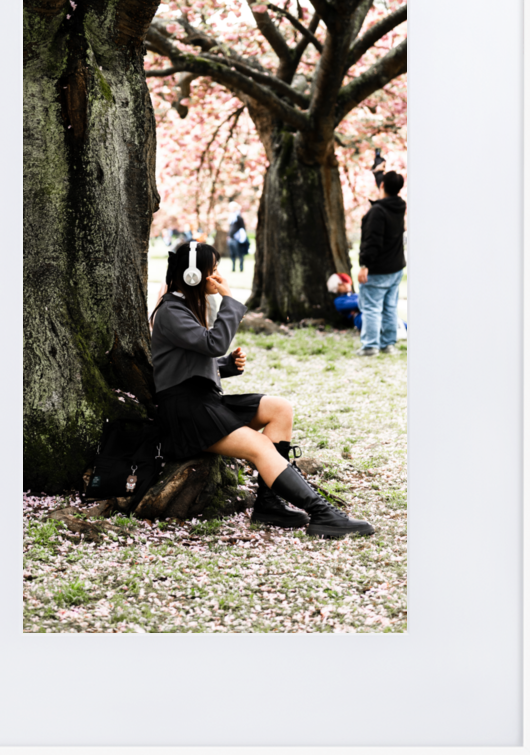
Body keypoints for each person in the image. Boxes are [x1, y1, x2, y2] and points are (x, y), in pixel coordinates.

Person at [151, 241, 374, 536]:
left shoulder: (185, 307)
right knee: (260, 447)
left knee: (279, 409)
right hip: (186, 414)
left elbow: (193, 358)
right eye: (213, 270)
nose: (217, 275)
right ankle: (322, 514)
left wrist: (225, 366)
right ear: (194, 275)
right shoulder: (171, 311)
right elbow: (213, 342)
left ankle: (269, 504)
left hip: (203, 403)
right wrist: (229, 299)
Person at [357, 170, 407, 356]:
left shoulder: (378, 212)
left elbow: (372, 242)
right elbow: (387, 188)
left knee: (371, 307)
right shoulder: (399, 206)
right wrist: (378, 171)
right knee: (389, 308)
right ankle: (388, 344)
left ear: (383, 186)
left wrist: (364, 265)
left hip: (378, 269)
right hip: (395, 268)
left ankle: (370, 346)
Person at [227, 204, 247, 272]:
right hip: (231, 239)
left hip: (237, 239)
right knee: (232, 254)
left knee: (240, 254)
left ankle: (241, 268)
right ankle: (233, 268)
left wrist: (241, 238)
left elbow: (242, 229)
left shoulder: (239, 218)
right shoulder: (231, 218)